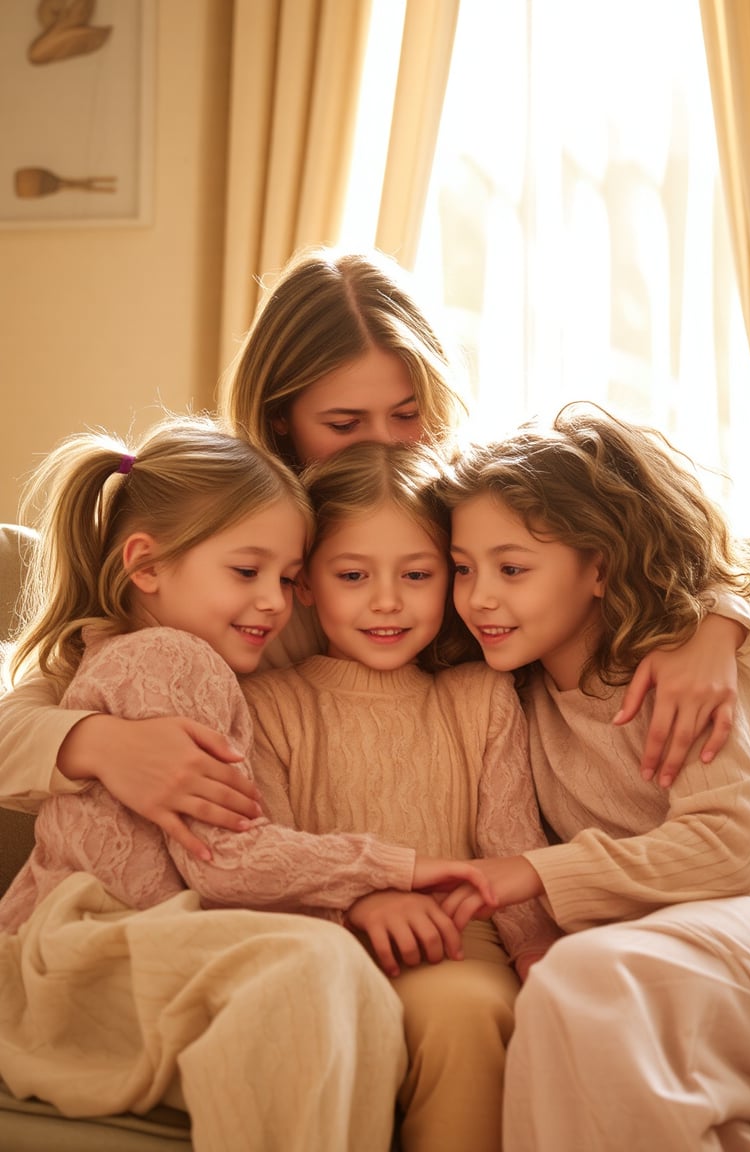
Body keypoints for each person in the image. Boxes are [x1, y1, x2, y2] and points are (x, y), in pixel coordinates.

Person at [0, 246, 750, 858]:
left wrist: (716, 627)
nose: (385, 445)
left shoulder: (468, 523)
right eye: (344, 423)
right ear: (281, 422)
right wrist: (97, 743)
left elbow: (634, 556)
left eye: (407, 415)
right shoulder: (225, 555)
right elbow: (25, 715)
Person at [0, 414, 495, 1152]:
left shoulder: (201, 652)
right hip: (93, 944)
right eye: (248, 574)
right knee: (316, 968)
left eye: (290, 579)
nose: (274, 601)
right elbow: (230, 860)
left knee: (327, 968)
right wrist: (395, 869)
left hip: (149, 931)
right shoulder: (173, 658)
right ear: (146, 565)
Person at [437, 402, 750, 1151]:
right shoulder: (512, 694)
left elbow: (730, 849)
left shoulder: (669, 675)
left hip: (749, 917)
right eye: (463, 568)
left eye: (513, 568)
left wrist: (531, 872)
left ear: (599, 567)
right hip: (657, 945)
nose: (479, 595)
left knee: (587, 978)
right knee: (571, 994)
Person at [239, 439, 560, 1152]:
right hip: (318, 939)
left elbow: (514, 846)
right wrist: (361, 896)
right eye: (352, 574)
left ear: (450, 579)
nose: (387, 600)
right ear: (304, 585)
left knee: (466, 1011)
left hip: (456, 944)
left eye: (417, 574)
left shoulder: (480, 698)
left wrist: (540, 947)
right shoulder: (268, 703)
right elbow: (264, 851)